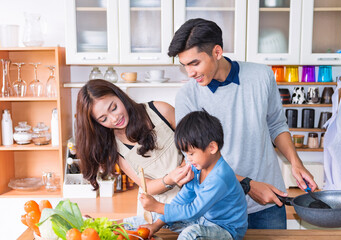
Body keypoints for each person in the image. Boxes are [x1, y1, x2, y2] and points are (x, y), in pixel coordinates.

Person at [169, 18, 318, 229]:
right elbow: (194, 160)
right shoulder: (188, 96)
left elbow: (276, 125)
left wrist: (295, 162)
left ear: (217, 52)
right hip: (218, 208)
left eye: (195, 63)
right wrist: (247, 185)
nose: (190, 73)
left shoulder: (262, 76)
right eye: (185, 66)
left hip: (268, 202)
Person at [75, 79, 193, 226]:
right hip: (157, 210)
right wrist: (170, 179)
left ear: (120, 95)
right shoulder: (115, 148)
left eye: (114, 108)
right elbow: (147, 186)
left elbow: (195, 144)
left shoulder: (160, 110)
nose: (114, 118)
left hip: (193, 199)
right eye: (103, 119)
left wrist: (185, 166)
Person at [140, 110, 248, 240]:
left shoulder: (219, 177)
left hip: (227, 230)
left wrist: (157, 206)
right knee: (161, 216)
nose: (188, 159)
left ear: (212, 147)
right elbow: (182, 200)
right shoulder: (197, 169)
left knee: (191, 233)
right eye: (185, 154)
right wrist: (156, 225)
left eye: (191, 154)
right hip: (204, 220)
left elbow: (192, 212)